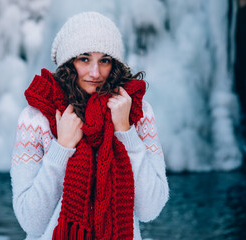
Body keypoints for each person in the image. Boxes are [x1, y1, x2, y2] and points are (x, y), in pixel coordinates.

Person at [11, 11, 169, 240]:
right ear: (68, 62)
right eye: (84, 59)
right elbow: (31, 222)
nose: (95, 73)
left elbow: (150, 209)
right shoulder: (36, 119)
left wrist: (125, 132)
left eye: (104, 60)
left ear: (114, 65)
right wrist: (62, 148)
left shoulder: (137, 112)